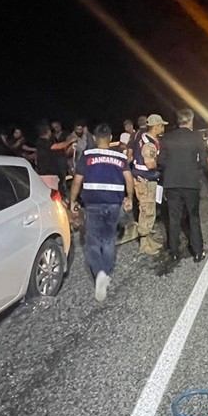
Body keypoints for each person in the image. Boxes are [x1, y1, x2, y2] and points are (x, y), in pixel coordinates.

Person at [69, 123, 134, 301]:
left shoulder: (88, 156)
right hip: (114, 203)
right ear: (110, 138)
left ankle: (100, 273)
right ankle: (106, 271)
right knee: (109, 239)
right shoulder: (119, 157)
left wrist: (73, 201)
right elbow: (129, 179)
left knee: (92, 242)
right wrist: (129, 198)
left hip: (93, 204)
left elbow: (76, 181)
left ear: (96, 139)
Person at [158, 108, 208, 263]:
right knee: (193, 217)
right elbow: (203, 162)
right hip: (191, 183)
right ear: (190, 120)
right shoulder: (196, 137)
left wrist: (173, 166)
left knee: (173, 218)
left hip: (172, 183)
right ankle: (198, 251)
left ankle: (174, 251)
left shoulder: (167, 138)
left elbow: (161, 161)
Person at [131, 114, 167, 255]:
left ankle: (148, 239)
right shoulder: (149, 144)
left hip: (144, 179)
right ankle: (144, 243)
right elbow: (150, 164)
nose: (163, 127)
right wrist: (162, 167)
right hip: (145, 180)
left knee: (149, 209)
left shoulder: (145, 137)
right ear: (156, 127)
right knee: (147, 211)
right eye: (162, 125)